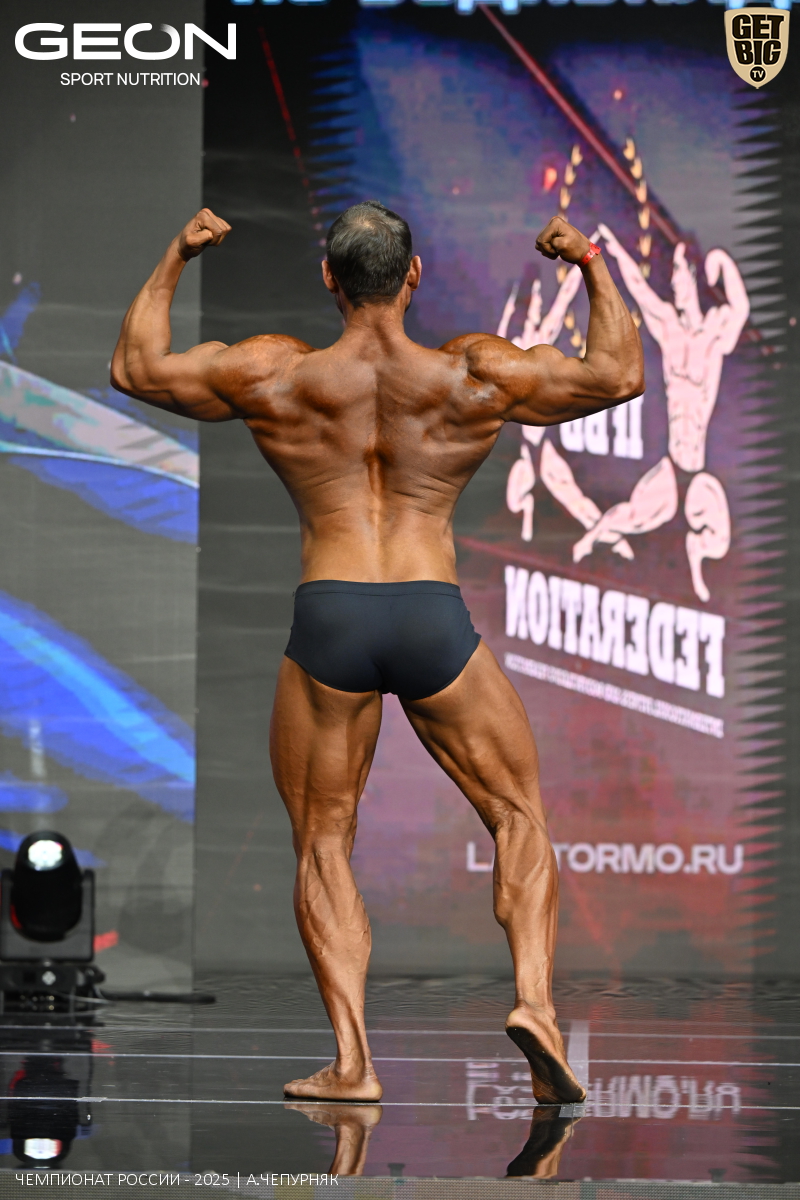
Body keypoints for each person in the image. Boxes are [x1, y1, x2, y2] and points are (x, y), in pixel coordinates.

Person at [111, 202, 643, 1106]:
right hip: (431, 614)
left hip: (331, 617)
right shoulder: (472, 372)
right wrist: (587, 260)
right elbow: (618, 373)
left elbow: (135, 367)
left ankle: (354, 1063)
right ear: (414, 276)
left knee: (324, 841)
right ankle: (535, 1005)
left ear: (329, 278)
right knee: (517, 814)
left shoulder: (278, 373)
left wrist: (177, 253)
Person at [571, 225, 749, 601]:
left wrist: (721, 261)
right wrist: (610, 248)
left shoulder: (713, 333)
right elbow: (638, 287)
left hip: (697, 473)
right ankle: (587, 542)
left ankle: (695, 554)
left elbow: (740, 310)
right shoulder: (668, 325)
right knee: (627, 517)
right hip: (671, 468)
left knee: (718, 540)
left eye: (679, 271)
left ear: (695, 276)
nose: (674, 281)